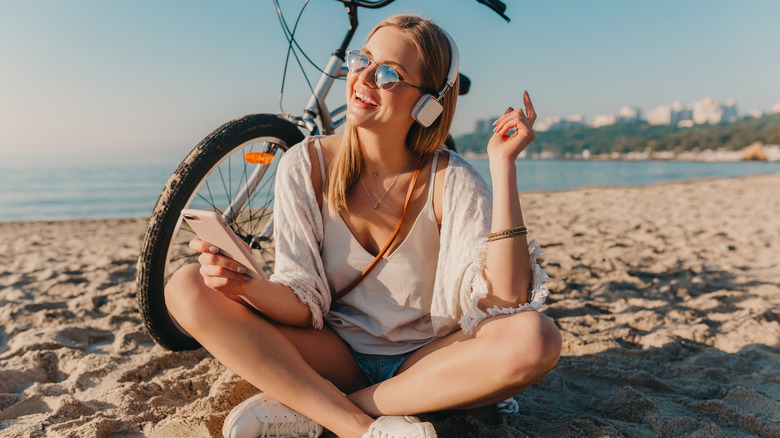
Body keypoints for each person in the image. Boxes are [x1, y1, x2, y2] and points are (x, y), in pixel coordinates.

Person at [165, 14, 561, 438]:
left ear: (427, 105)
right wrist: (244, 286)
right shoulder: (307, 164)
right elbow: (302, 302)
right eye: (363, 59)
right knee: (187, 286)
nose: (364, 77)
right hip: (336, 355)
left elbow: (507, 301)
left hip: (427, 362)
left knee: (535, 339)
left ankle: (319, 407)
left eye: (390, 73)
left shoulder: (453, 179)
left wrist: (503, 168)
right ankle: (358, 427)